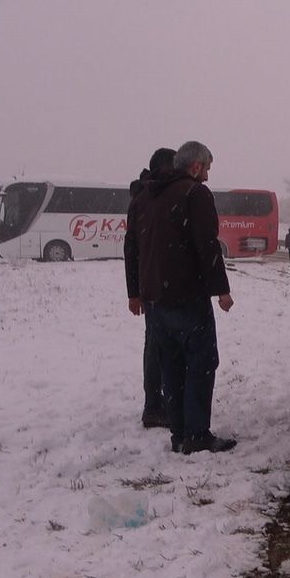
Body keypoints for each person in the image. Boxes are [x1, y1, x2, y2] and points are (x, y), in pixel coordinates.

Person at [125, 141, 237, 455]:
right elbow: (207, 245)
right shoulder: (194, 193)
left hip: (155, 301)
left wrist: (134, 292)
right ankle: (197, 434)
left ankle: (179, 433)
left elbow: (131, 247)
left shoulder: (144, 197)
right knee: (201, 363)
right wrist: (221, 290)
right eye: (207, 169)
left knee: (171, 367)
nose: (208, 176)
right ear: (196, 166)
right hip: (188, 297)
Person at [129, 147, 176, 429]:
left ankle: (158, 405)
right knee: (158, 348)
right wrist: (134, 293)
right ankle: (155, 406)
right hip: (157, 288)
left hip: (152, 286)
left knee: (156, 346)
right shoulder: (147, 198)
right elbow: (131, 249)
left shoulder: (143, 197)